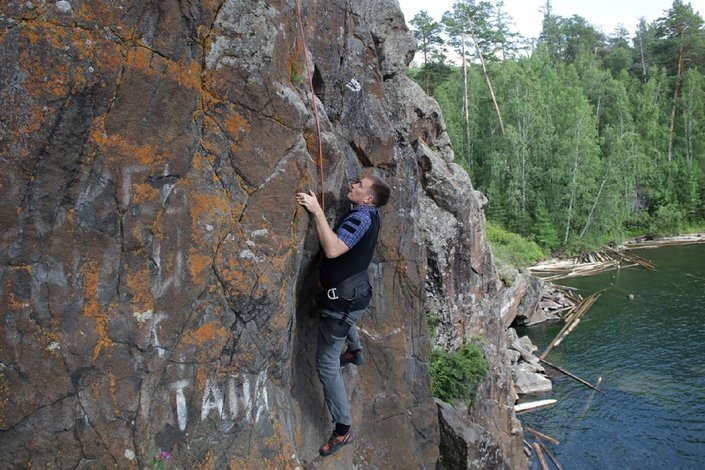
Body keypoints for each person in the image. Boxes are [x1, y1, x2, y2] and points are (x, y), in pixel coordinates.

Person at [296, 175, 391, 457]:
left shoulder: (361, 218)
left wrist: (315, 211)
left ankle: (343, 429)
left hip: (343, 303)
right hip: (355, 296)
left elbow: (334, 248)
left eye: (359, 185)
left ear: (368, 199)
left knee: (326, 364)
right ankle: (355, 351)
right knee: (346, 318)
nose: (352, 185)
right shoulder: (369, 215)